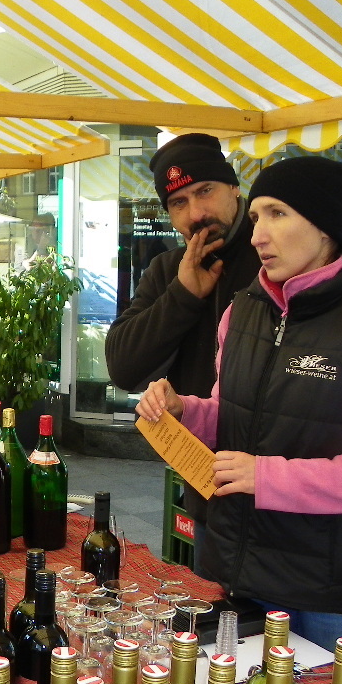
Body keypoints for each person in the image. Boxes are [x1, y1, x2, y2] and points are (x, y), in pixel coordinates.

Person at [135, 156, 342, 669]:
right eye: (255, 217)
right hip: (243, 576)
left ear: (327, 226)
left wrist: (266, 477)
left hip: (330, 596)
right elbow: (233, 414)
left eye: (277, 214)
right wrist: (186, 411)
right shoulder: (242, 311)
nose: (257, 235)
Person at [106, 132, 262, 567]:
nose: (196, 213)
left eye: (205, 191)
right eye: (178, 203)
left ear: (234, 187)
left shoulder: (273, 258)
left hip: (278, 491)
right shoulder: (169, 269)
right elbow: (123, 367)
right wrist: (184, 295)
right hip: (207, 492)